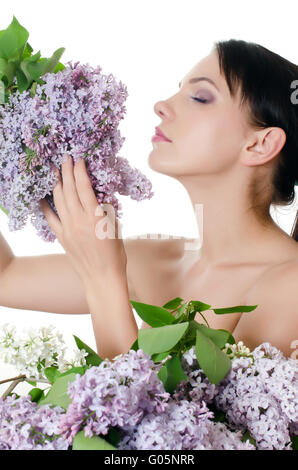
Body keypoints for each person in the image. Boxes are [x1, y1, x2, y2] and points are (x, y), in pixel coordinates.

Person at [0, 39, 298, 360]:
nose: (162, 104)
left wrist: (103, 278)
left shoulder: (290, 287)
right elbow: (6, 276)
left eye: (200, 97)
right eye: (179, 90)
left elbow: (135, 409)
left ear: (260, 144)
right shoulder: (159, 260)